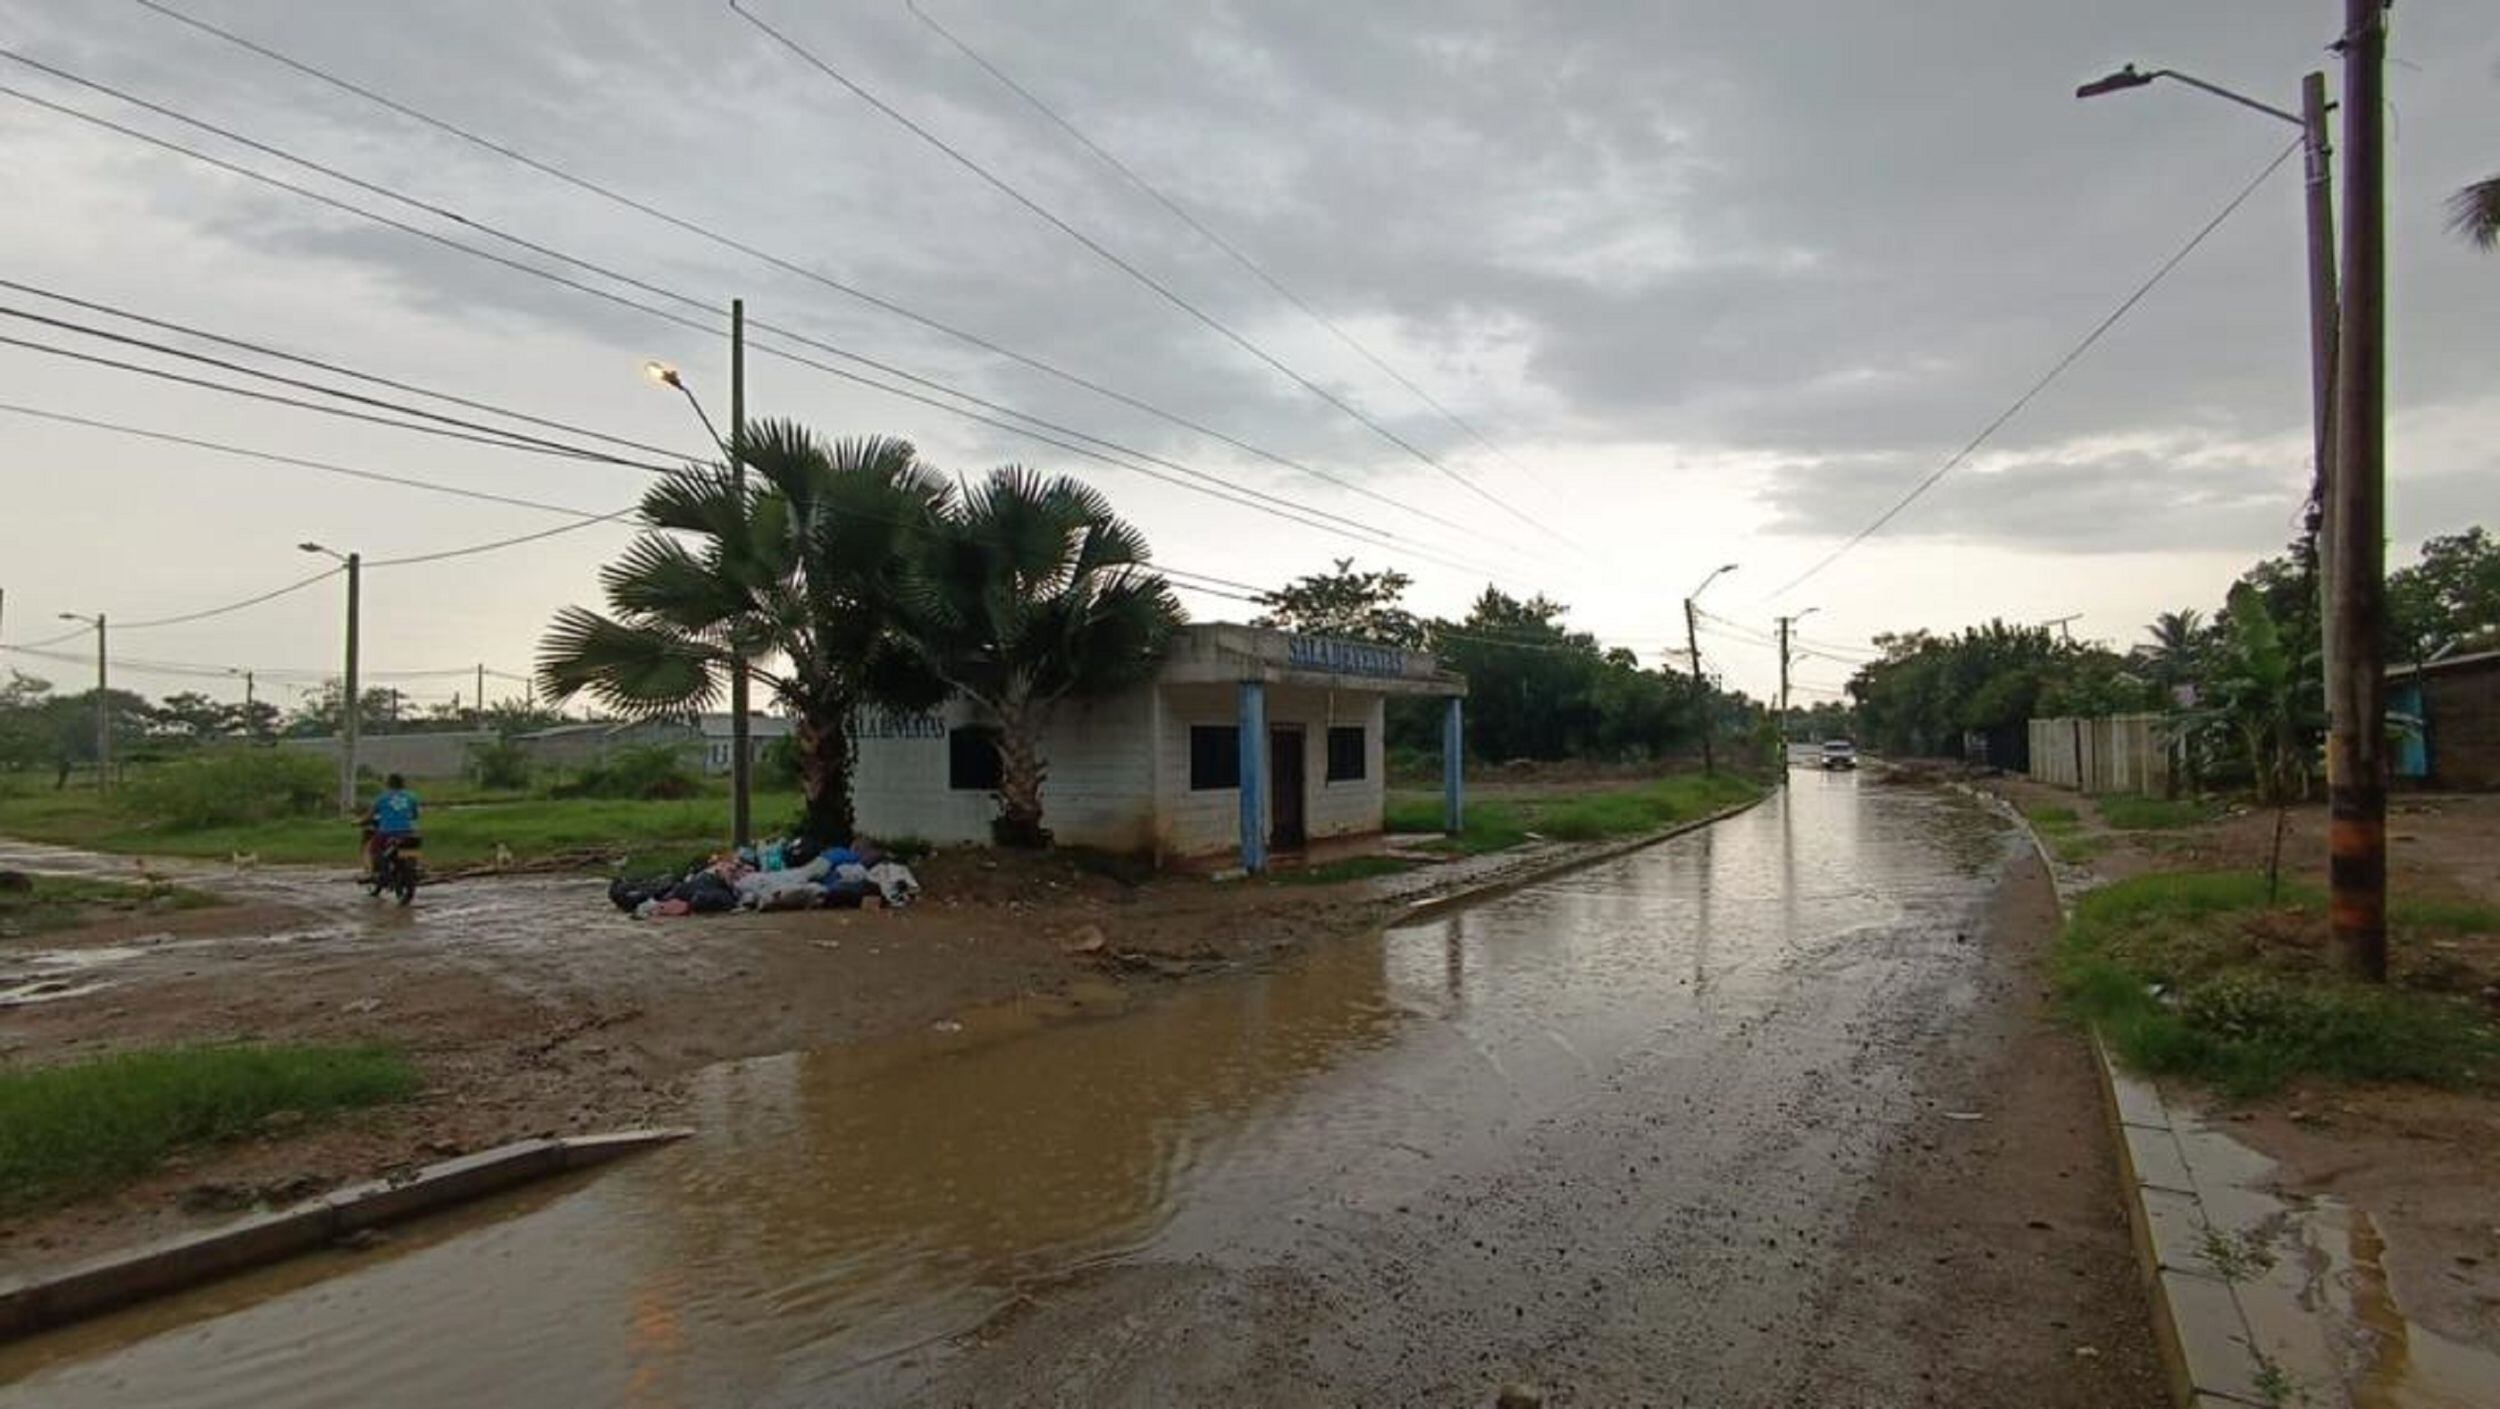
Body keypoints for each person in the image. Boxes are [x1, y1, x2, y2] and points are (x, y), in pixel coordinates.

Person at [363, 772, 422, 877]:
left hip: (387, 832)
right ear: (403, 783)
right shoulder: (411, 797)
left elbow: (369, 816)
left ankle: (376, 872)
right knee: (412, 847)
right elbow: (415, 815)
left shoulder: (382, 798)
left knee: (373, 848)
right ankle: (414, 865)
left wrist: (361, 821)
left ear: (388, 784)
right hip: (408, 831)